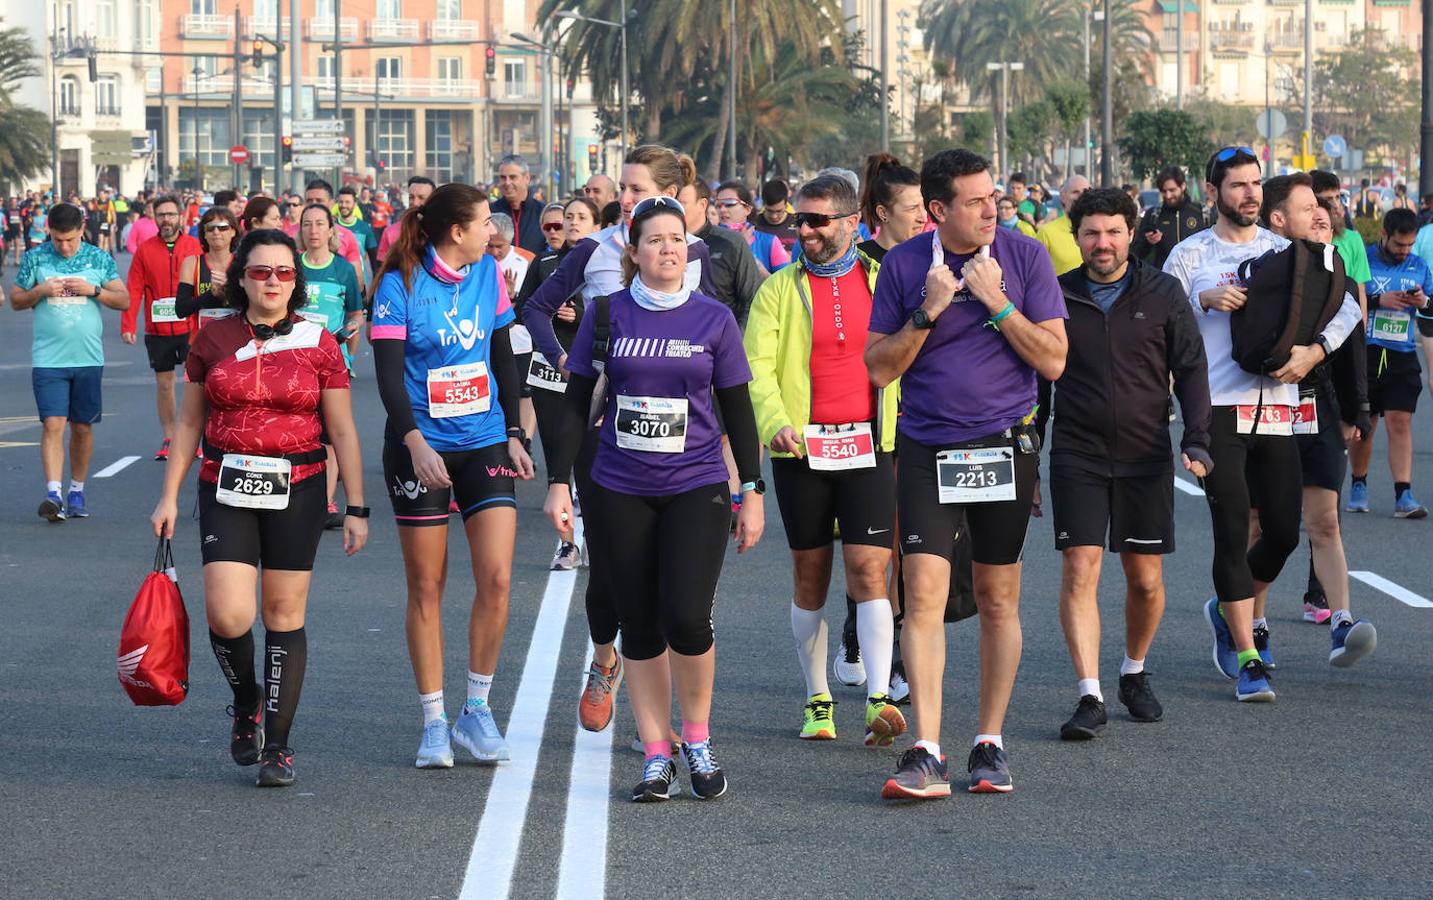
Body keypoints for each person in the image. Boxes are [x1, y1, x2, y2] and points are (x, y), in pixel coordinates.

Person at [541, 195, 765, 801]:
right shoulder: (608, 314)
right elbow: (575, 402)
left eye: (675, 238)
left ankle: (697, 737)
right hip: (619, 487)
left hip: (695, 485)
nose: (666, 248)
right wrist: (558, 481)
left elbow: (739, 410)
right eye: (654, 240)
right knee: (639, 623)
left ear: (687, 248)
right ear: (633, 252)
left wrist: (752, 487)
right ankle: (655, 753)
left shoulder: (713, 319)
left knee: (687, 617)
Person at [866, 148, 1067, 798]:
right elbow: (877, 368)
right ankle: (926, 750)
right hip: (926, 447)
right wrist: (927, 311)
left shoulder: (1024, 257)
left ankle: (989, 742)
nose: (991, 209)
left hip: (1004, 446)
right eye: (976, 201)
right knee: (920, 595)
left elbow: (1055, 360)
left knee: (996, 597)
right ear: (937, 210)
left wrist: (998, 304)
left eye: (993, 198)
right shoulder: (902, 266)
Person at [150, 228, 368, 788]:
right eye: (261, 271)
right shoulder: (212, 339)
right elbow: (189, 423)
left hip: (299, 487)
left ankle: (280, 744)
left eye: (284, 272)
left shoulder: (319, 343)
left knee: (283, 614)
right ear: (241, 277)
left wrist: (358, 506)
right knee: (227, 614)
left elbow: (341, 429)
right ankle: (246, 702)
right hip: (223, 481)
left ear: (296, 281)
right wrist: (168, 496)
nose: (273, 281)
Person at [524, 145, 716, 735]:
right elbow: (534, 310)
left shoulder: (696, 254)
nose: (622, 200)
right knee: (612, 573)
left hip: (681, 445)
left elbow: (716, 340)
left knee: (673, 582)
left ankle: (653, 719)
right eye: (620, 191)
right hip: (605, 434)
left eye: (634, 191)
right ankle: (604, 661)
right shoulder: (592, 249)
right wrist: (569, 359)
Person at [1163, 148, 1361, 704]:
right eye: (1237, 185)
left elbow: (1348, 305)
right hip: (1215, 410)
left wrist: (1314, 353)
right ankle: (1248, 657)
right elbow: (1159, 318)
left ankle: (1227, 609)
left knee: (1281, 532)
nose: (1250, 193)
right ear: (1213, 192)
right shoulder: (1188, 254)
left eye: (1255, 184)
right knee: (1231, 530)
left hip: (1278, 406)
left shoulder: (1286, 251)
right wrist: (1200, 298)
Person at [371, 183, 535, 769]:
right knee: (428, 586)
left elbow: (502, 354)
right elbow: (388, 377)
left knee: (496, 579)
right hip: (422, 447)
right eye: (486, 223)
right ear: (456, 231)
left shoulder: (489, 274)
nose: (496, 231)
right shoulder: (399, 285)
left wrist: (514, 432)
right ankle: (434, 720)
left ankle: (477, 710)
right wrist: (414, 442)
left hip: (484, 437)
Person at [743, 174, 904, 747]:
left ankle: (880, 698)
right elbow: (755, 367)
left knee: (869, 571)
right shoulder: (777, 289)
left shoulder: (886, 281)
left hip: (869, 446)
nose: (802, 230)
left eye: (816, 221)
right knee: (810, 577)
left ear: (852, 224)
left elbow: (910, 354)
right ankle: (818, 699)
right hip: (801, 450)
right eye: (799, 222)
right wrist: (775, 423)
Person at [1048, 188, 1212, 739]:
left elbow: (1190, 369)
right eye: (1092, 233)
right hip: (1078, 452)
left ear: (1131, 233)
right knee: (1080, 567)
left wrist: (1198, 438)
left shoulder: (1162, 291)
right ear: (1077, 238)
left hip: (1145, 454)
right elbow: (1035, 375)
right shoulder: (1056, 295)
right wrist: (1026, 448)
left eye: (1113, 231)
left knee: (1144, 580)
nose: (1103, 243)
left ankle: (1133, 671)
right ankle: (1089, 693)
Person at [1254, 175, 1377, 666]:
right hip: (1263, 404)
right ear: (1279, 219)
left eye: (1325, 206)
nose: (1322, 213)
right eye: (1310, 206)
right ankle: (1253, 625)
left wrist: (1356, 410)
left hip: (1319, 406)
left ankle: (1341, 622)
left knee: (1324, 521)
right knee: (1261, 525)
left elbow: (1353, 348)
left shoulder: (1338, 276)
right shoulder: (1259, 270)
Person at [10, 202, 130, 521]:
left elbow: (124, 299)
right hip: (48, 359)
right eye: (58, 239)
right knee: (53, 424)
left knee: (82, 428)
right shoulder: (36, 257)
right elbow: (15, 300)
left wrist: (94, 291)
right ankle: (54, 494)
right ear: (48, 230)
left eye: (70, 239)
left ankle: (76, 488)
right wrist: (40, 290)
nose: (64, 246)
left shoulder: (98, 258)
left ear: (81, 231)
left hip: (88, 359)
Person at [517, 196, 600, 571]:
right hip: (551, 367)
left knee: (594, 457)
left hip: (591, 369)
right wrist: (552, 313)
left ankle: (600, 539)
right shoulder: (545, 262)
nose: (573, 223)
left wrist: (577, 312)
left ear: (596, 223)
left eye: (582, 217)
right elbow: (526, 307)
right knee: (558, 458)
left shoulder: (605, 262)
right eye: (568, 217)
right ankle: (567, 545)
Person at [1349, 207, 1433, 518]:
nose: (1404, 251)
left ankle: (1404, 494)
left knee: (1401, 422)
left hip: (1402, 354)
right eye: (1399, 244)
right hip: (1367, 353)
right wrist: (1376, 301)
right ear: (1384, 235)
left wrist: (1423, 302)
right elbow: (1344, 298)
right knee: (1365, 425)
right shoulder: (1365, 260)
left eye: (1410, 245)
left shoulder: (1419, 266)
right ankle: (1359, 483)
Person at [296, 203, 366, 527]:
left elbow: (356, 314)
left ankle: (324, 503)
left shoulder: (343, 270)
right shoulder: (292, 267)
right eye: (307, 224)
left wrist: (347, 333)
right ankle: (294, 497)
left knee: (331, 434)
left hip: (332, 361)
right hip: (293, 361)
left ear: (330, 230)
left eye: (319, 224)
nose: (313, 230)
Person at [122, 194, 203, 461]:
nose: (166, 219)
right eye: (161, 215)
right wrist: (128, 323)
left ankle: (197, 438)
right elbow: (133, 289)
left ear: (181, 216)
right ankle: (169, 437)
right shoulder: (145, 250)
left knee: (196, 385)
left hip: (190, 327)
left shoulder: (194, 246)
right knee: (165, 385)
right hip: (158, 330)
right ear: (154, 218)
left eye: (170, 214)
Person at [680, 179, 766, 328]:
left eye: (681, 202)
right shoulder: (659, 244)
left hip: (720, 342)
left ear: (702, 205)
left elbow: (753, 299)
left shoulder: (732, 243)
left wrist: (736, 342)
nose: (674, 207)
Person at [488, 212, 538, 450]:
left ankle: (524, 440)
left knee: (524, 393)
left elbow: (536, 302)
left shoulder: (527, 260)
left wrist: (513, 299)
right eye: (490, 245)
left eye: (500, 246)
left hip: (521, 340)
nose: (494, 252)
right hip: (487, 340)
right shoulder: (477, 260)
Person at [174, 206, 239, 328]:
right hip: (201, 339)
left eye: (222, 228)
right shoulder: (192, 263)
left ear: (233, 231)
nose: (216, 232)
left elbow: (254, 304)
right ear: (204, 234)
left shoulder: (242, 263)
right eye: (210, 228)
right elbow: (181, 310)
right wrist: (211, 295)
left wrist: (228, 290)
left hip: (236, 339)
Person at [1131, 166, 1207, 270]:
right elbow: (1136, 254)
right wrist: (1148, 242)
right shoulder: (1153, 215)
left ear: (1183, 186)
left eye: (1172, 190)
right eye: (1164, 191)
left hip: (1198, 279)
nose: (1168, 195)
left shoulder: (1202, 213)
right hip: (1165, 280)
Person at [859, 153, 929, 261]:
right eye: (912, 209)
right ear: (883, 213)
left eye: (924, 207)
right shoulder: (859, 261)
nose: (923, 218)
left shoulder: (931, 258)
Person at [716, 181, 790, 274]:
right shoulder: (707, 241)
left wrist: (745, 252)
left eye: (730, 203)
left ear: (747, 209)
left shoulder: (768, 242)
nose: (722, 209)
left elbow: (784, 285)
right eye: (718, 205)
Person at [300, 180, 364, 286]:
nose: (314, 205)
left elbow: (357, 280)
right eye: (309, 201)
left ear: (332, 203)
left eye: (319, 201)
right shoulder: (290, 235)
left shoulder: (347, 236)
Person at [493, 154, 547, 255]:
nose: (507, 183)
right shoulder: (490, 212)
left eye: (513, 177)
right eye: (503, 178)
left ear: (527, 178)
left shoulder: (543, 212)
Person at [1035, 176, 1089, 275]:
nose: (1081, 196)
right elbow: (1035, 273)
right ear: (1062, 196)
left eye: (1085, 191)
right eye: (1075, 192)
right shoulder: (1047, 232)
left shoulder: (1101, 230)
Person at [336, 185, 379, 272]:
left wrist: (376, 282)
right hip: (337, 281)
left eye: (347, 202)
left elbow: (374, 260)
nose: (343, 205)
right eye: (341, 202)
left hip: (360, 280)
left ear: (355, 204)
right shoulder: (331, 227)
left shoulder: (364, 227)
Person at [751, 178, 800, 256]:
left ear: (786, 204)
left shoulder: (798, 223)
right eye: (769, 211)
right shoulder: (753, 225)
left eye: (779, 211)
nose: (774, 216)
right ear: (763, 204)